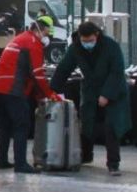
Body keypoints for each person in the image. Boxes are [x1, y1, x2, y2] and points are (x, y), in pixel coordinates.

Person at [50, 21, 130, 176]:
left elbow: (116, 72)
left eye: (90, 40)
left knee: (111, 127)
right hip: (91, 89)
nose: (87, 44)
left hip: (114, 90)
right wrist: (53, 90)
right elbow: (64, 69)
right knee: (87, 122)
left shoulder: (111, 46)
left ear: (97, 35)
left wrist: (107, 94)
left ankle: (113, 163)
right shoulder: (76, 48)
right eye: (84, 40)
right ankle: (85, 155)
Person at [0, 18, 55, 173]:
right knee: (21, 126)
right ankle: (20, 164)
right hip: (13, 90)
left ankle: (2, 160)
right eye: (46, 33)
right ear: (38, 30)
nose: (47, 37)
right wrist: (50, 94)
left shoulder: (19, 39)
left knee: (4, 126)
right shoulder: (32, 43)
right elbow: (37, 74)